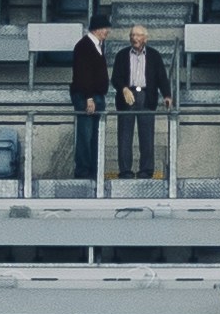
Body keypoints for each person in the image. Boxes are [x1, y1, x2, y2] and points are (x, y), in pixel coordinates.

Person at [110, 19, 164, 186]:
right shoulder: (121, 54)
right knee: (124, 136)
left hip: (147, 97)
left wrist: (167, 95)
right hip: (127, 97)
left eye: (138, 35)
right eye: (132, 35)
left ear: (145, 38)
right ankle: (125, 170)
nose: (134, 38)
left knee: (146, 136)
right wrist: (124, 88)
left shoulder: (154, 55)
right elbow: (115, 78)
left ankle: (146, 170)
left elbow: (162, 77)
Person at [65, 15, 106, 191]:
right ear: (97, 28)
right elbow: (83, 74)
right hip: (87, 96)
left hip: (95, 95)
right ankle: (83, 170)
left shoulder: (96, 46)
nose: (107, 32)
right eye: (105, 29)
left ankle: (93, 169)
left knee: (94, 135)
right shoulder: (84, 46)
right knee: (86, 134)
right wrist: (89, 97)